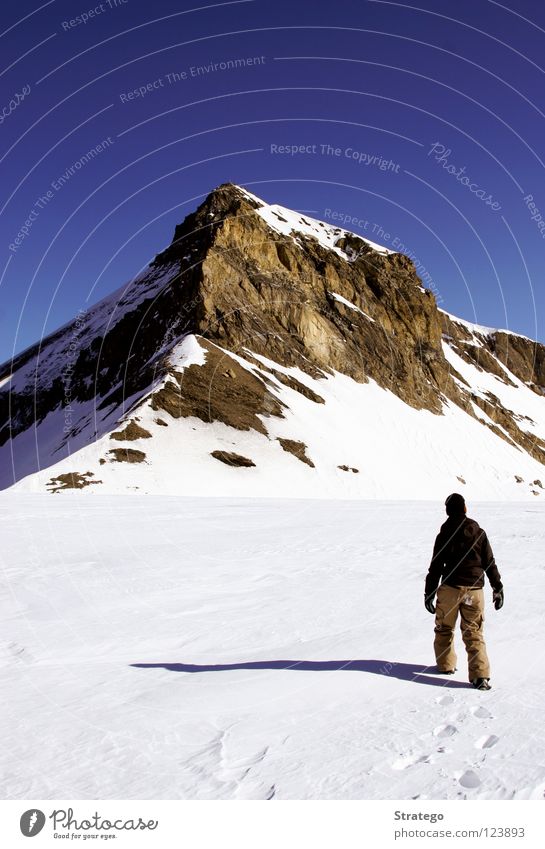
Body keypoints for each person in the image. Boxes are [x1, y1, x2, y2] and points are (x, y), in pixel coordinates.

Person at [424, 493, 504, 690]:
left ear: (448, 511)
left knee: (444, 628)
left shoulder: (444, 533)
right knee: (474, 633)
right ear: (465, 508)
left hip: (450, 589)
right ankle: (480, 676)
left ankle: (445, 665)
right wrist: (498, 587)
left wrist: (429, 593)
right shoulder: (479, 532)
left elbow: (435, 566)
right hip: (475, 590)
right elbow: (489, 562)